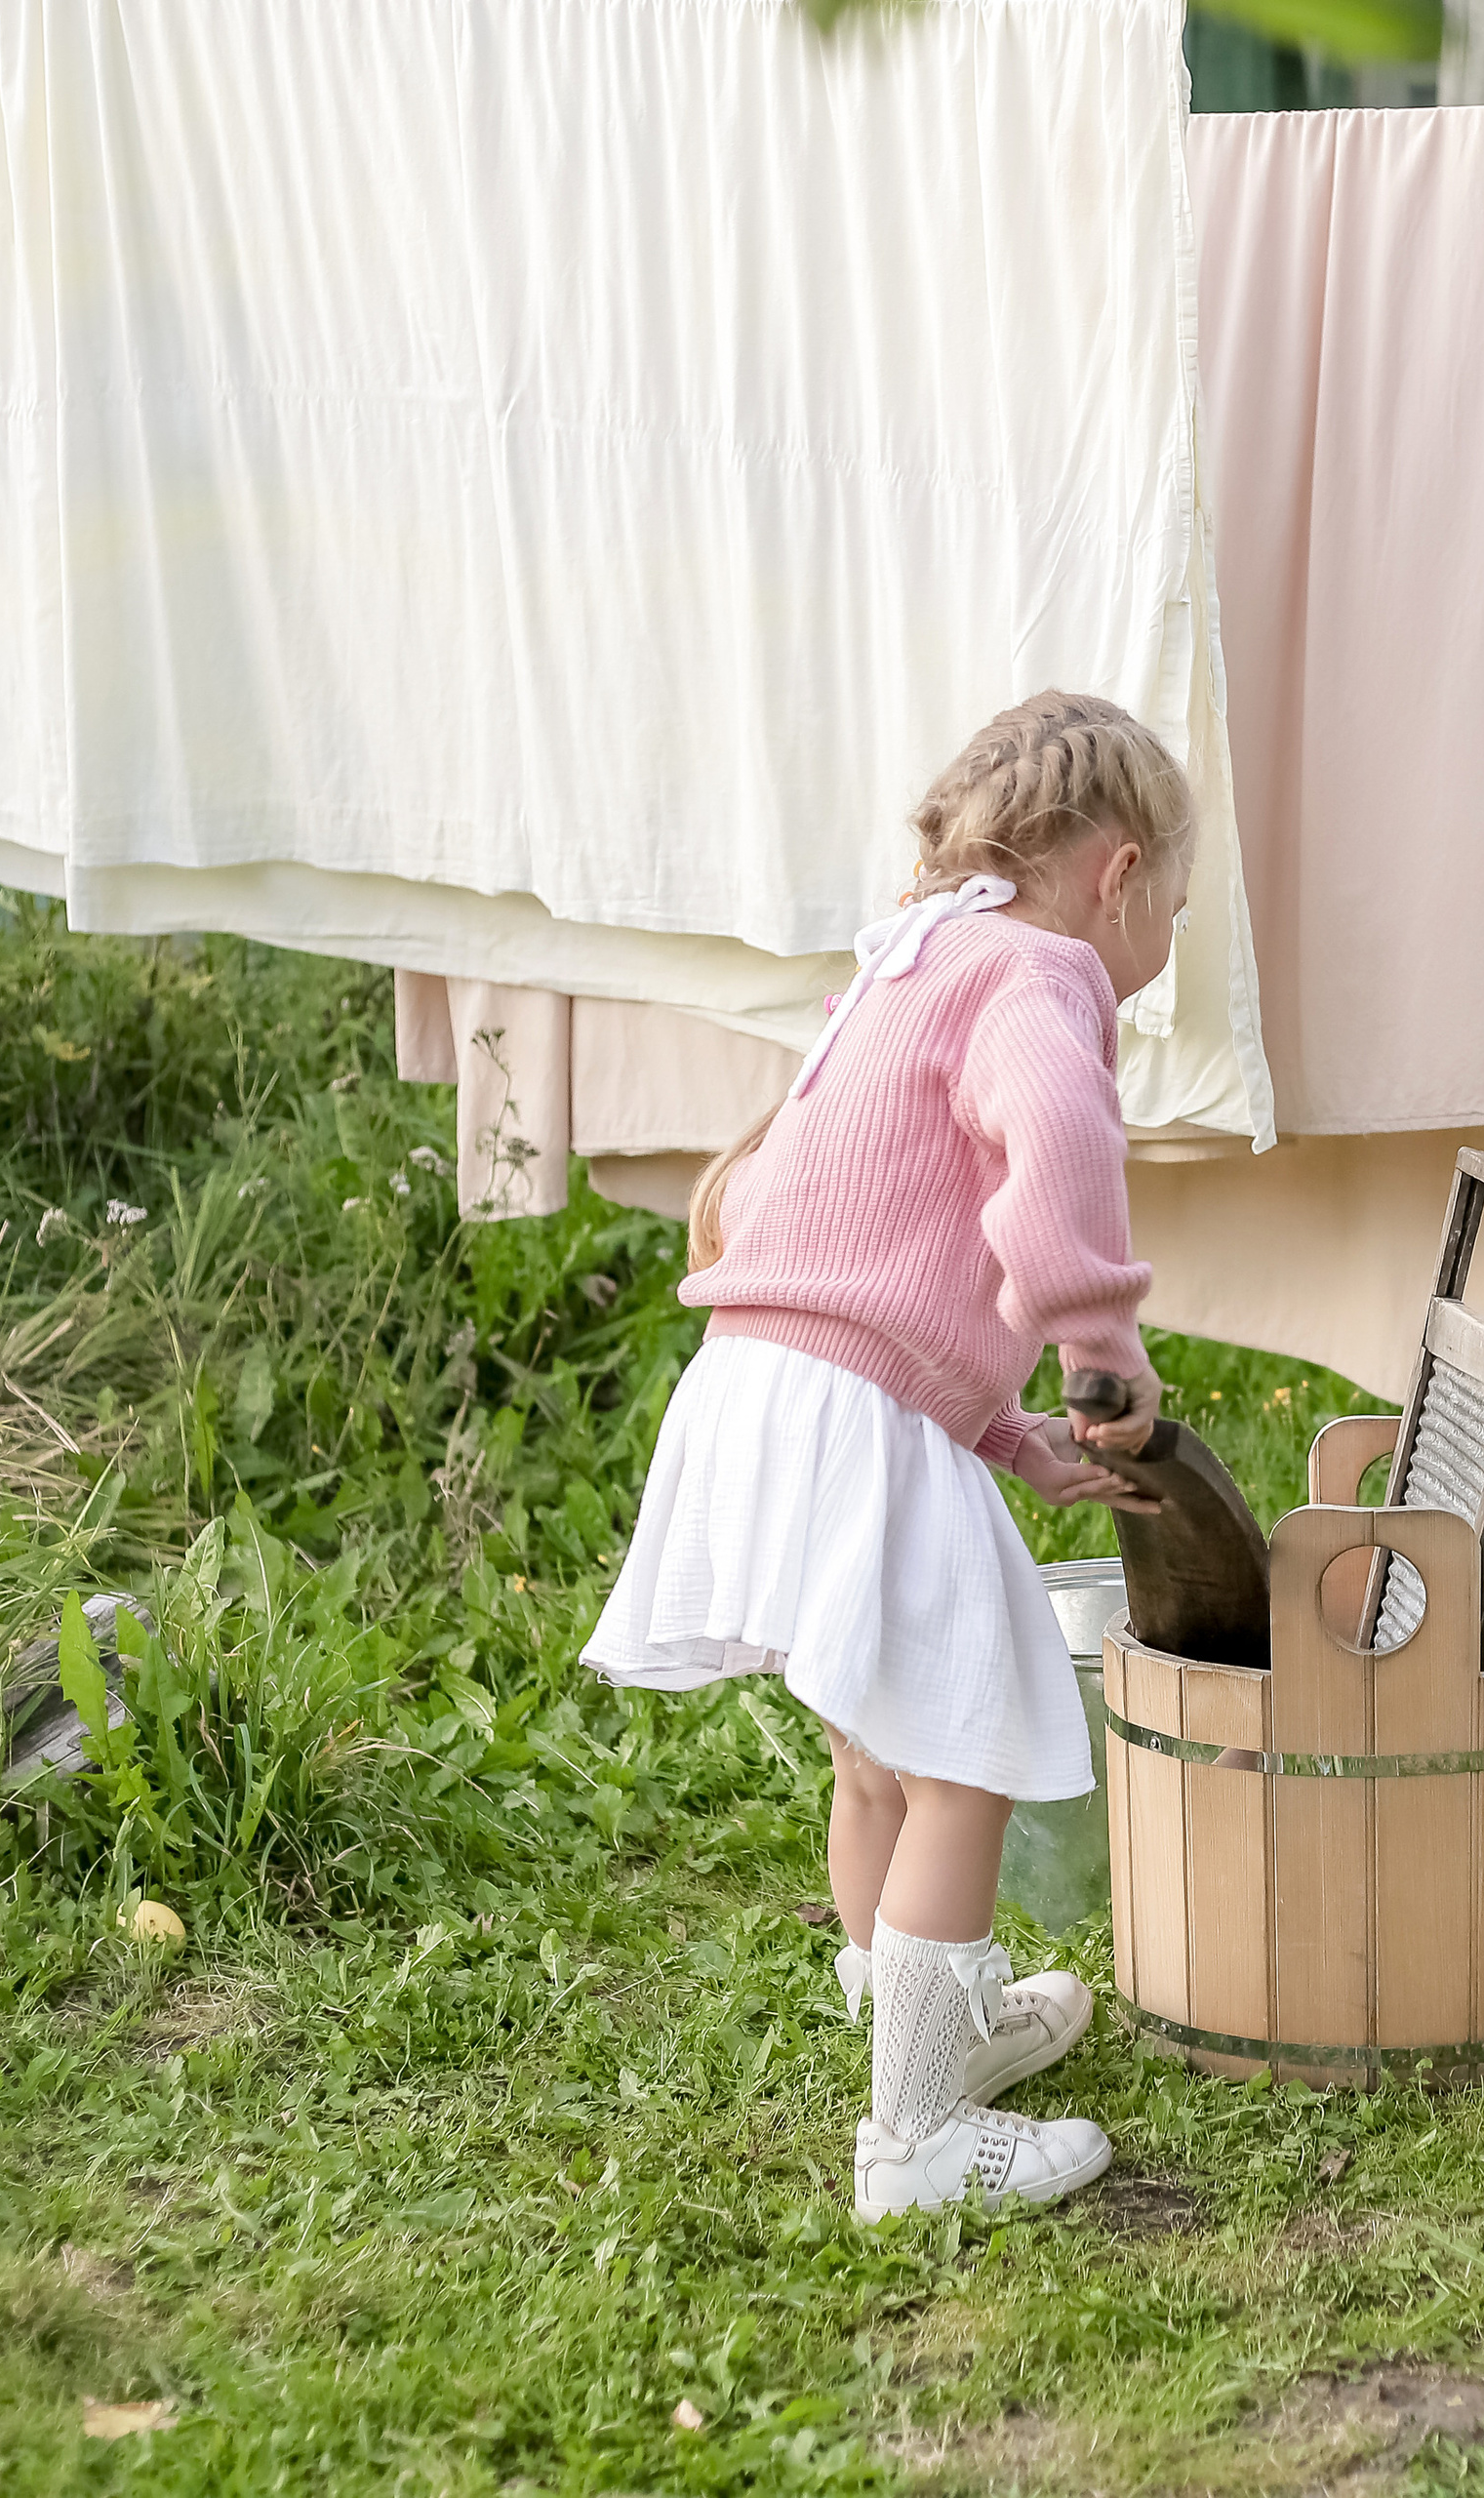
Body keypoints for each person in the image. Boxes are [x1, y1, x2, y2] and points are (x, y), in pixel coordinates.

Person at [583, 689, 1185, 2220]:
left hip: (766, 1383)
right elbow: (1059, 1143)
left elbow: (883, 1238)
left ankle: (921, 2021)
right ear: (1117, 872)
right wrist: (1098, 1343)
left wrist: (1006, 1437)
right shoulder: (1042, 973)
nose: (1166, 930)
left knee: (877, 1751)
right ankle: (915, 2139)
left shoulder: (910, 956)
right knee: (966, 1760)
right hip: (847, 1415)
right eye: (1175, 898)